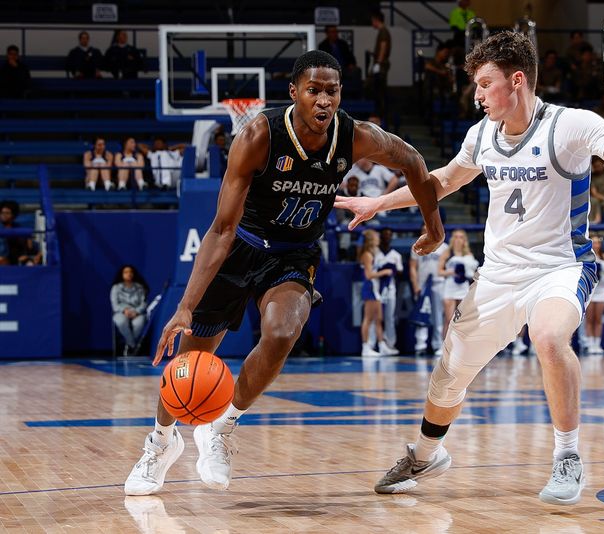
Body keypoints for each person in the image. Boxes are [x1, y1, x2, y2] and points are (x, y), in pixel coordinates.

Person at [335, 31, 604, 504]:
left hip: (560, 266)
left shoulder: (568, 125)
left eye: (485, 84)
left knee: (548, 337)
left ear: (516, 80)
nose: (477, 96)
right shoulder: (481, 135)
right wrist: (381, 202)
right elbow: (441, 180)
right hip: (498, 275)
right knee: (448, 376)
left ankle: (567, 457)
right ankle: (424, 454)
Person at [124, 50, 443, 496]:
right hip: (243, 245)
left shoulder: (355, 137)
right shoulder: (258, 135)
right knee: (192, 360)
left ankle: (222, 428)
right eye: (313, 90)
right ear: (294, 93)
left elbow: (411, 159)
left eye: (332, 91)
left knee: (281, 332)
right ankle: (160, 442)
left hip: (294, 256)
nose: (323, 100)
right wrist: (184, 307)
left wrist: (434, 225)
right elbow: (221, 227)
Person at [410, 223, 449, 355]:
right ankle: (420, 345)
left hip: (439, 283)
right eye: (423, 229)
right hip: (423, 285)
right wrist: (415, 285)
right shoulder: (417, 245)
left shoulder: (444, 247)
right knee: (422, 314)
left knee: (438, 315)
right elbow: (412, 267)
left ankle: (438, 344)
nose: (426, 231)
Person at [358, 229, 395, 357]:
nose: (379, 239)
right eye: (376, 237)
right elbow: (368, 275)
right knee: (368, 319)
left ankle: (382, 345)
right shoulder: (367, 254)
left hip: (376, 289)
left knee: (378, 319)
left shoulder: (373, 253)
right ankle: (365, 347)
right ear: (371, 240)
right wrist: (384, 272)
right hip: (370, 288)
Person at [438, 229, 478, 340]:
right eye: (456, 236)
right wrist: (452, 272)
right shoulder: (447, 252)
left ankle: (459, 344)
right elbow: (439, 271)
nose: (458, 239)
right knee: (449, 319)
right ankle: (444, 346)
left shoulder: (468, 254)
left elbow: (473, 273)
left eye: (461, 237)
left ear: (464, 240)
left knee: (462, 319)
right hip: (450, 286)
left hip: (463, 286)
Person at [373, 228, 404, 354]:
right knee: (375, 317)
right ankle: (373, 343)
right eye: (385, 234)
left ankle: (390, 343)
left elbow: (400, 271)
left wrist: (393, 270)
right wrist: (382, 270)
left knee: (389, 316)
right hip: (375, 288)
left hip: (390, 288)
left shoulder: (396, 255)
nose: (387, 237)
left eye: (389, 235)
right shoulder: (374, 253)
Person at [111, 265, 148, 355]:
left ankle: (128, 345)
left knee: (139, 323)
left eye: (131, 272)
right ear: (122, 274)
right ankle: (132, 346)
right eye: (126, 272)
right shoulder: (116, 288)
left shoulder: (140, 287)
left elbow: (144, 303)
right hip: (121, 312)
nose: (129, 274)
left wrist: (136, 311)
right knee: (121, 322)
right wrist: (124, 310)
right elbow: (115, 304)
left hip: (137, 312)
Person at [585, 235, 604, 355]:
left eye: (598, 243)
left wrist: (603, 276)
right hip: (591, 290)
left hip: (601, 290)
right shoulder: (586, 256)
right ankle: (590, 343)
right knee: (590, 318)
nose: (596, 245)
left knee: (598, 319)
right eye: (594, 242)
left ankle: (597, 343)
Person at [369, 11, 391, 117]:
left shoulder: (383, 32)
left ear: (376, 20)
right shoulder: (383, 31)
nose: (372, 23)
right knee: (378, 90)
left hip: (381, 66)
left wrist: (378, 62)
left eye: (372, 21)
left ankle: (381, 114)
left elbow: (383, 46)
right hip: (381, 64)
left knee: (379, 91)